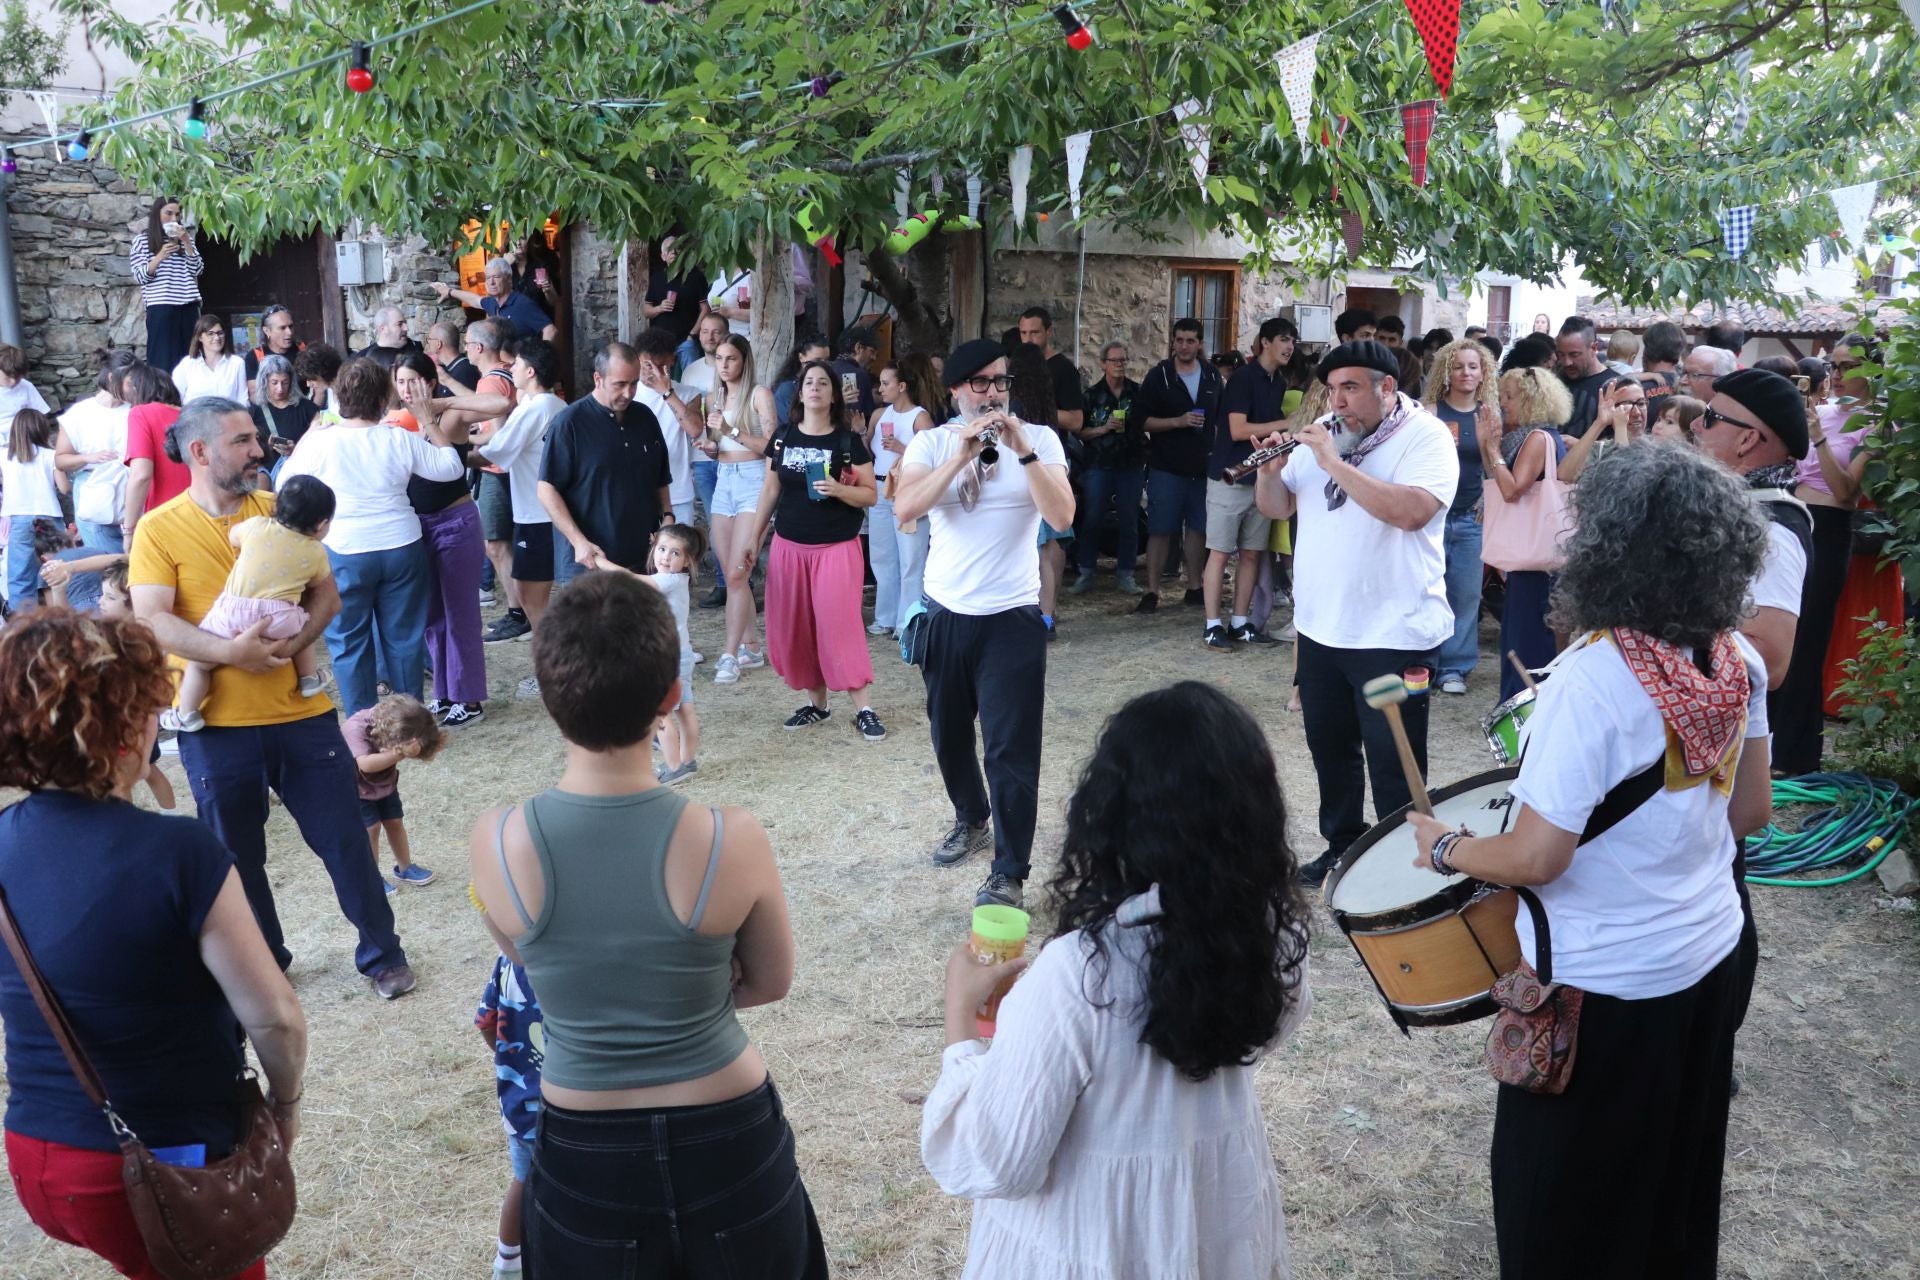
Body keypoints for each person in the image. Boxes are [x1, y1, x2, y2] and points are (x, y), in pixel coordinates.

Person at [1408, 441, 1773, 1279]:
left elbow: (1537, 856)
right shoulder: (1734, 657)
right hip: (1710, 959)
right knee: (1671, 1201)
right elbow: (1750, 813)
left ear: (1609, 548)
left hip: (1605, 994)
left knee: (1564, 1221)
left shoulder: (1594, 679)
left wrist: (1452, 847)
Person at [466, 571, 828, 1276]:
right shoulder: (733, 836)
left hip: (581, 1144)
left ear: (548, 695)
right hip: (728, 1131)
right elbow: (771, 982)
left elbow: (530, 965)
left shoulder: (494, 839)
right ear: (671, 696)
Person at [922, 683, 1311, 1279]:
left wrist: (960, 1026)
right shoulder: (1270, 933)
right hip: (1216, 1221)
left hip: (1092, 1240)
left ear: (1113, 810)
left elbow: (998, 1162)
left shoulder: (1079, 972)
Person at [0, 609, 307, 1280]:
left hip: (37, 1154)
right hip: (157, 1163)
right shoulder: (178, 852)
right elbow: (275, 1017)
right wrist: (286, 1104)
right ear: (123, 728)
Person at [130, 396, 418, 997]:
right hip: (215, 727)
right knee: (238, 859)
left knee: (344, 837)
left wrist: (293, 647)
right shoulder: (158, 528)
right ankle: (267, 964)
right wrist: (230, 654)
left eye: (256, 439)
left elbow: (327, 599)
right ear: (200, 451)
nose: (259, 450)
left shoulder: (282, 512)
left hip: (303, 717)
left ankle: (383, 955)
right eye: (242, 441)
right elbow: (153, 621)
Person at [1253, 340, 1457, 886]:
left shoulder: (1426, 437)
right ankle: (1342, 845)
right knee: (1330, 748)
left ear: (1387, 389)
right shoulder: (1328, 429)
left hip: (1396, 633)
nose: (1338, 402)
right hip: (1323, 628)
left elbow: (1412, 512)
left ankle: (1405, 862)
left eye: (1351, 389)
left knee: (1395, 757)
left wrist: (1332, 462)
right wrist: (1270, 473)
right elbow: (1277, 508)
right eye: (1333, 389)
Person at [892, 340, 1074, 908]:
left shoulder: (1040, 439)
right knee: (948, 735)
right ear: (956, 392)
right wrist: (960, 455)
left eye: (1000, 382)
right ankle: (970, 816)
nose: (993, 393)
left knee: (1010, 748)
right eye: (980, 384)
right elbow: (905, 508)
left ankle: (1009, 872)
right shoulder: (932, 440)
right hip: (947, 613)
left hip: (1013, 616)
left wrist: (1022, 451)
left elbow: (1063, 516)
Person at [280, 359, 467, 717]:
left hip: (346, 548)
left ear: (339, 396)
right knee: (405, 640)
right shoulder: (398, 437)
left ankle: (360, 723)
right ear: (384, 397)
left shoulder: (321, 443)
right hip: (401, 545)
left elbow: (284, 482)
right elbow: (451, 467)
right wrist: (427, 419)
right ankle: (408, 722)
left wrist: (309, 434)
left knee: (349, 641)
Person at [738, 361, 886, 741]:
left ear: (833, 394)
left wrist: (839, 490)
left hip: (836, 547)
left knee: (840, 624)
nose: (815, 388)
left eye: (823, 383)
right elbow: (771, 489)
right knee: (798, 627)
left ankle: (864, 709)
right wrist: (754, 538)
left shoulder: (846, 441)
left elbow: (870, 494)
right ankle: (817, 705)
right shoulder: (784, 437)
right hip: (790, 548)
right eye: (809, 382)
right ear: (800, 392)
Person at [1772, 335, 1877, 776]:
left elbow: (1846, 489)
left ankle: (1796, 755)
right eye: (1831, 365)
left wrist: (1816, 438)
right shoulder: (1826, 411)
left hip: (1832, 525)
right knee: (1778, 628)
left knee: (1809, 639)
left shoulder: (1876, 423)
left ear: (1870, 370)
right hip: (1795, 516)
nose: (1834, 374)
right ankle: (1768, 744)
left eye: (1845, 365)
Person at [162, 472, 336, 733]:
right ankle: (309, 678)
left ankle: (188, 714)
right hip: (279, 617)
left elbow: (234, 536)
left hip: (234, 611)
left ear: (275, 508)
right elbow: (317, 583)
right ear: (321, 524)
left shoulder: (257, 526)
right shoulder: (316, 552)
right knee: (302, 626)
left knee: (200, 664)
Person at [390, 353, 490, 727]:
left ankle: (470, 698)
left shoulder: (451, 415)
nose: (406, 389)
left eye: (413, 380)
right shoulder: (396, 421)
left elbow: (500, 404)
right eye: (400, 381)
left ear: (430, 381)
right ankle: (445, 694)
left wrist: (438, 406)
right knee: (432, 614)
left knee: (460, 612)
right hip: (416, 525)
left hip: (455, 522)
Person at [463, 337, 568, 679]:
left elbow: (495, 453)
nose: (512, 369)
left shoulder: (535, 408)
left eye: (517, 364)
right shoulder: (556, 405)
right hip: (541, 511)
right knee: (530, 591)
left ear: (531, 371)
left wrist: (450, 455)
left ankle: (553, 669)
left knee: (531, 595)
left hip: (537, 515)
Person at [540, 341, 674, 584]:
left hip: (642, 558)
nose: (628, 393)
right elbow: (546, 488)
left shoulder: (645, 417)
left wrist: (668, 517)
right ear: (597, 379)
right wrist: (578, 541)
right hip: (589, 561)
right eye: (620, 384)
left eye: (634, 383)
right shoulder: (569, 423)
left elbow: (660, 477)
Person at [1203, 318, 1297, 650]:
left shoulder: (1279, 382)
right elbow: (1239, 430)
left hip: (1260, 481)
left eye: (1293, 341)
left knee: (1252, 555)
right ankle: (1213, 625)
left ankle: (1240, 622)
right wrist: (1288, 423)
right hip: (1229, 478)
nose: (1290, 346)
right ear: (1265, 342)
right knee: (1218, 553)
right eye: (1284, 339)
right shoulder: (1243, 378)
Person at [1483, 367, 1574, 700]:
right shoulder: (1546, 436)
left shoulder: (1537, 438)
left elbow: (1511, 490)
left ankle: (1523, 712)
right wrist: (1488, 446)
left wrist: (1492, 449)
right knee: (1525, 641)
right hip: (1542, 560)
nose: (1504, 403)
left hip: (1535, 565)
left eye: (1509, 396)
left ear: (1530, 399)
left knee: (1525, 644)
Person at [698, 335, 777, 681]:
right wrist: (711, 446)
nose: (724, 365)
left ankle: (729, 655)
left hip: (752, 480)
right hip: (724, 477)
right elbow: (719, 445)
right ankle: (752, 647)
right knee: (728, 567)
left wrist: (731, 429)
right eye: (719, 358)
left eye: (731, 358)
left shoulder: (759, 394)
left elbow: (773, 447)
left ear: (744, 360)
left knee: (737, 571)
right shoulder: (714, 398)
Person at [1424, 338, 1499, 696]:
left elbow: (1493, 468)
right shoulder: (1430, 412)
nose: (1466, 373)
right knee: (1427, 591)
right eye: (1458, 366)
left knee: (1465, 596)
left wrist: (1488, 495)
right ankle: (1425, 662)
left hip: (1472, 518)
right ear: (1446, 372)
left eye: (1473, 366)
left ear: (1484, 373)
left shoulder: (1490, 414)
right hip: (1432, 517)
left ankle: (1455, 667)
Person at [1133, 318, 1221, 613]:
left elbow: (1221, 420)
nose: (1184, 346)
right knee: (1160, 529)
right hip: (1166, 467)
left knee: (1197, 529)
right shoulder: (1159, 376)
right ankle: (1153, 591)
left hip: (1202, 467)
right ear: (1173, 342)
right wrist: (1177, 421)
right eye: (1179, 340)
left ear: (1200, 344)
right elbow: (1141, 421)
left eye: (1190, 340)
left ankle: (1194, 587)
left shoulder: (1211, 376)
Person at [474, 952, 543, 1280]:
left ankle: (507, 1263)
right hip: (573, 1114)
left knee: (523, 1181)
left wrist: (522, 1067)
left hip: (521, 1109)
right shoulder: (581, 961)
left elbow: (487, 1024)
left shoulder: (508, 960)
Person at [343, 693, 445, 891]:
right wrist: (399, 753)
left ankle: (405, 867)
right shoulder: (355, 728)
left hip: (384, 781)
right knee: (371, 829)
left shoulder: (402, 722)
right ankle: (371, 879)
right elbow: (365, 764)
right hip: (357, 788)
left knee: (395, 821)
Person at [869, 356, 939, 632]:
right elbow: (869, 448)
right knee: (882, 555)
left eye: (886, 383)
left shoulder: (920, 417)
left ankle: (907, 621)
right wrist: (861, 431)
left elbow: (935, 456)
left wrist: (902, 448)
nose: (880, 388)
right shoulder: (879, 414)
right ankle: (885, 617)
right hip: (878, 486)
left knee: (911, 557)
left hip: (907, 488)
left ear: (902, 386)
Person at [633, 523, 705, 783]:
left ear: (687, 561)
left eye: (675, 553)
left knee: (660, 714)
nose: (665, 556)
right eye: (662, 549)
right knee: (685, 709)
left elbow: (634, 580)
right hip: (681, 655)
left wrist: (602, 563)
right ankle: (687, 761)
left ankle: (673, 767)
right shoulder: (676, 581)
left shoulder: (669, 580)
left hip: (668, 659)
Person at [1071, 342, 1144, 595]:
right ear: (1103, 363)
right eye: (1114, 361)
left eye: (1123, 360)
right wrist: (1104, 428)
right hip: (1099, 464)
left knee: (1129, 520)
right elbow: (1079, 431)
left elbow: (1148, 423)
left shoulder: (1137, 392)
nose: (1119, 365)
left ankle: (1126, 574)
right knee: (1092, 518)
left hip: (1130, 463)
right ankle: (1086, 572)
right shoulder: (1091, 396)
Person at [54, 348, 138, 552]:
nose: (134, 388)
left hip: (132, 487)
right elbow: (60, 461)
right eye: (130, 382)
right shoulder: (80, 414)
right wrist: (88, 457)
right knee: (105, 564)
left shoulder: (137, 410)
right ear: (111, 378)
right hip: (94, 488)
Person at [631, 327, 707, 529]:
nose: (653, 372)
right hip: (635, 490)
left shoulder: (689, 393)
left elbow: (694, 429)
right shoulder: (626, 394)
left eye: (660, 365)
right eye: (647, 365)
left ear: (671, 361)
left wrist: (667, 393)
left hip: (677, 491)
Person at [129, 197, 203, 371]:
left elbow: (197, 270)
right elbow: (140, 277)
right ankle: (163, 397)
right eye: (168, 213)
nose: (173, 219)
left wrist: (185, 241)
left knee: (191, 359)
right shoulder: (142, 240)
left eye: (177, 214)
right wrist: (159, 257)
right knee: (162, 360)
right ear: (157, 214)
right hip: (161, 307)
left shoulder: (186, 240)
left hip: (188, 305)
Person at [3, 408, 66, 614]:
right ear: (41, 429)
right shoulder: (51, 455)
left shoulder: (4, 456)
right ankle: (63, 618)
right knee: (58, 571)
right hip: (49, 515)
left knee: (20, 575)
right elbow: (64, 488)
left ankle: (23, 625)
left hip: (19, 517)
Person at [121, 364, 190, 537]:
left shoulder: (140, 413)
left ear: (138, 388)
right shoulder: (191, 414)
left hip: (165, 515)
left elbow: (141, 475)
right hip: (202, 511)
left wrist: (129, 530)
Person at [436, 259, 557, 343]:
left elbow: (550, 330)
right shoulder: (492, 303)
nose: (491, 282)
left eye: (496, 277)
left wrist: (538, 362)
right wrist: (449, 292)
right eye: (488, 278)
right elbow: (475, 300)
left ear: (509, 280)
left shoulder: (523, 303)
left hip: (523, 371)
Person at [1556, 373, 1648, 482]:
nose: (1637, 413)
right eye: (1626, 406)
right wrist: (1600, 422)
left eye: (1641, 403)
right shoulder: (1601, 449)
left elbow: (1627, 484)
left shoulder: (1658, 449)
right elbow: (1564, 475)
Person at [251, 353, 319, 484]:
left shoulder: (308, 409)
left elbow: (320, 446)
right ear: (265, 382)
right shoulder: (255, 412)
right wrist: (266, 448)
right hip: (267, 480)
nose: (280, 389)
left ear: (291, 382)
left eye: (285, 382)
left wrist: (296, 450)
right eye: (274, 383)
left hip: (300, 478)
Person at [644, 235, 709, 366]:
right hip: (661, 343)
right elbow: (646, 310)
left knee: (692, 378)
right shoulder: (657, 279)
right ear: (663, 256)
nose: (674, 252)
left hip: (687, 341)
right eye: (670, 249)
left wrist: (692, 335)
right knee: (659, 381)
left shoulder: (695, 276)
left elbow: (706, 308)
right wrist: (660, 308)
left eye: (677, 249)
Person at [1554, 316, 1614, 438]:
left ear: (1594, 348)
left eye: (1574, 354)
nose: (1566, 362)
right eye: (1561, 355)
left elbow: (1623, 444)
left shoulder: (1614, 385)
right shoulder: (1556, 380)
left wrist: (1580, 446)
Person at [172, 314, 249, 405]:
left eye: (220, 333)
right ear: (200, 337)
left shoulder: (237, 363)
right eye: (210, 334)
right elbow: (175, 399)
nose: (217, 338)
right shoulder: (187, 364)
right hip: (194, 417)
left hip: (227, 417)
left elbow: (243, 400)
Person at [244, 305, 303, 401]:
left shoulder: (303, 351)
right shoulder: (255, 356)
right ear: (267, 331)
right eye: (282, 328)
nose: (289, 332)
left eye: (291, 326)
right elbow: (255, 394)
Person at [829, 323, 881, 432]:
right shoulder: (858, 375)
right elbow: (858, 413)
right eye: (872, 352)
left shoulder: (829, 369)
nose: (874, 358)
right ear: (858, 348)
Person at [352, 306, 426, 369]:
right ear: (383, 329)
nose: (406, 328)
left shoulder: (416, 347)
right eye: (399, 324)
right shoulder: (362, 360)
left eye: (405, 323)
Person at [294, 341, 345, 419]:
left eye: (312, 379)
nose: (308, 384)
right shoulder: (329, 391)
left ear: (324, 372)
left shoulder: (349, 395)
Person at [426, 320, 478, 393]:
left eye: (429, 339)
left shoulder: (465, 371)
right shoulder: (447, 370)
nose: (428, 342)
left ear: (438, 344)